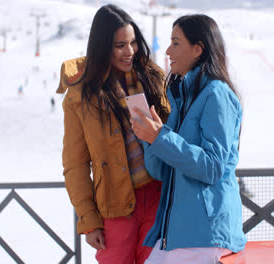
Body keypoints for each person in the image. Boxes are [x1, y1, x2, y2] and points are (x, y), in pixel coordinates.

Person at [56, 4, 170, 264]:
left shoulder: (151, 77)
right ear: (102, 47)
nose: (129, 52)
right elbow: (75, 163)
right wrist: (89, 220)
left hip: (157, 197)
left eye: (132, 43)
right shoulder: (80, 95)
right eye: (120, 45)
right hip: (115, 207)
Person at [130, 14, 247, 263]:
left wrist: (161, 137)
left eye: (175, 42)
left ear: (197, 49)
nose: (168, 51)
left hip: (206, 235)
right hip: (176, 234)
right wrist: (151, 138)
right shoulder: (180, 99)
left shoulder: (217, 95)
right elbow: (162, 172)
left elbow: (213, 167)